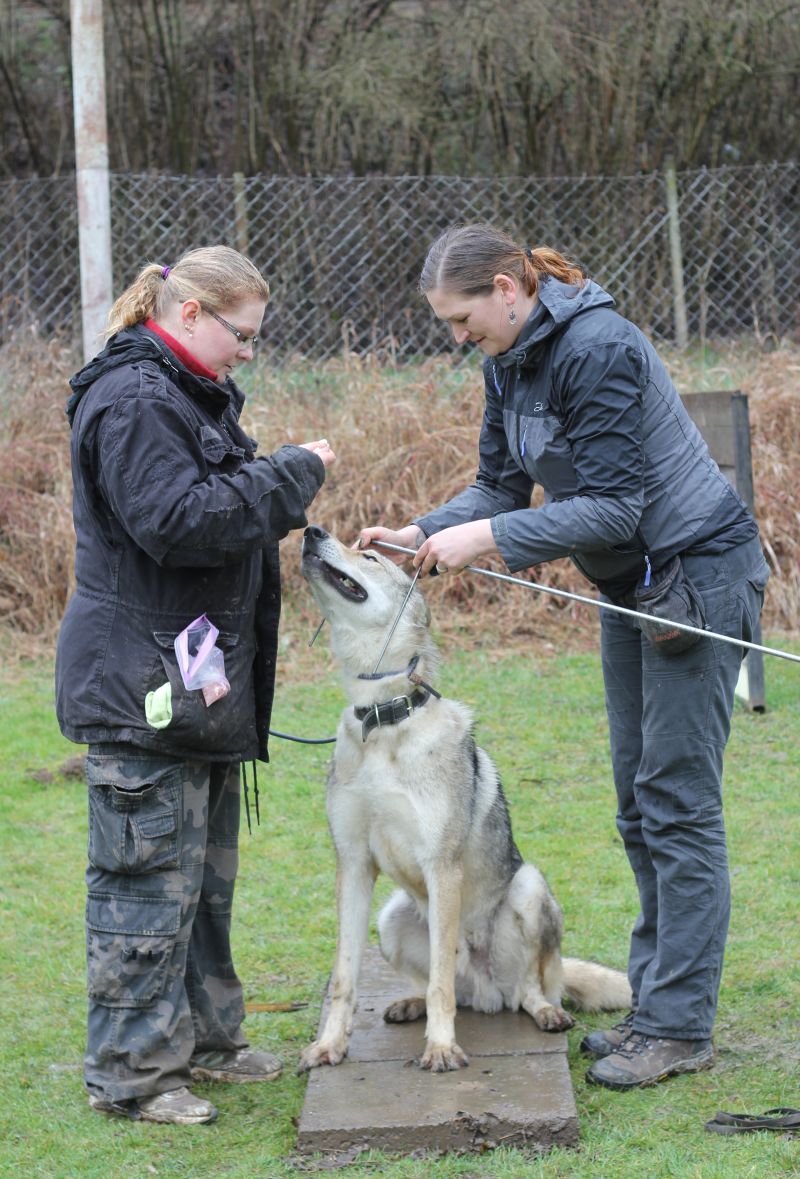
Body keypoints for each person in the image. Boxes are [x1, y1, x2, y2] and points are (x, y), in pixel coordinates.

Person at [358, 222, 769, 1091]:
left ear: (510, 287)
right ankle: (655, 1008)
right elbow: (501, 487)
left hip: (697, 573)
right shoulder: (505, 361)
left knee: (677, 801)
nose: (458, 337)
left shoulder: (600, 347)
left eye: (464, 317)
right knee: (635, 800)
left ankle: (678, 1026)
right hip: (632, 586)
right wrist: (429, 529)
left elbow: (617, 505)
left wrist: (491, 537)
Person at [56, 245, 335, 1125]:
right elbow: (178, 522)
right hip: (142, 689)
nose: (249, 352)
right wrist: (292, 474)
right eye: (241, 335)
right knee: (143, 887)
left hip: (191, 687)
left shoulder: (182, 392)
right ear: (188, 315)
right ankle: (133, 1074)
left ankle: (208, 1041)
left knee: (201, 884)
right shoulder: (136, 399)